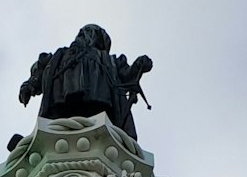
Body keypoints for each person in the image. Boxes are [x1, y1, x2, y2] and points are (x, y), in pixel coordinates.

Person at [19, 25, 153, 139]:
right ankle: (36, 141)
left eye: (92, 33)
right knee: (55, 128)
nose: (87, 35)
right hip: (61, 101)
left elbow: (127, 76)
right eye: (85, 32)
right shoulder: (62, 53)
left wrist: (139, 65)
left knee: (98, 126)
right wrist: (30, 85)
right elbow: (41, 70)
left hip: (99, 102)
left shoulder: (109, 60)